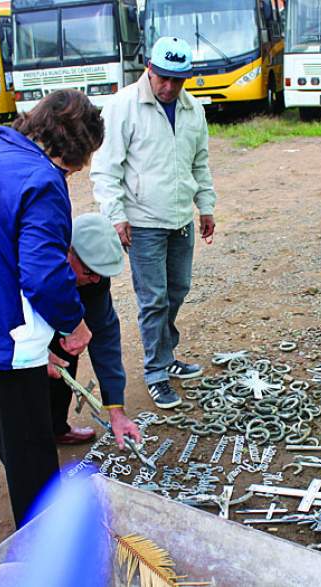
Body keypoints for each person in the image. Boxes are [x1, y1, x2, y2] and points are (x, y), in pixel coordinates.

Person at [0, 90, 133, 527]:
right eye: (83, 160)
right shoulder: (41, 180)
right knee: (33, 457)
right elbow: (41, 273)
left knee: (13, 436)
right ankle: (46, 553)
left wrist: (47, 352)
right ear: (73, 147)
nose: (77, 172)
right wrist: (73, 327)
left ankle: (26, 493)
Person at [0, 214, 140, 450]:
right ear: (66, 253)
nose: (96, 279)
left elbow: (104, 336)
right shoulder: (12, 263)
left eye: (101, 273)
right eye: (89, 272)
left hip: (39, 300)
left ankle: (55, 427)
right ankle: (19, 461)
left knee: (66, 349)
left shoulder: (93, 278)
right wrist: (34, 351)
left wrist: (116, 408)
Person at [90, 36, 218, 410]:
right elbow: (105, 168)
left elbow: (200, 164)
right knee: (153, 299)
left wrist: (205, 206)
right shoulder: (122, 107)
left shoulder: (194, 111)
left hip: (180, 220)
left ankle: (166, 353)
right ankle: (157, 372)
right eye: (162, 77)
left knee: (177, 290)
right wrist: (115, 216)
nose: (168, 86)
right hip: (143, 222)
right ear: (149, 67)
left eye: (177, 80)